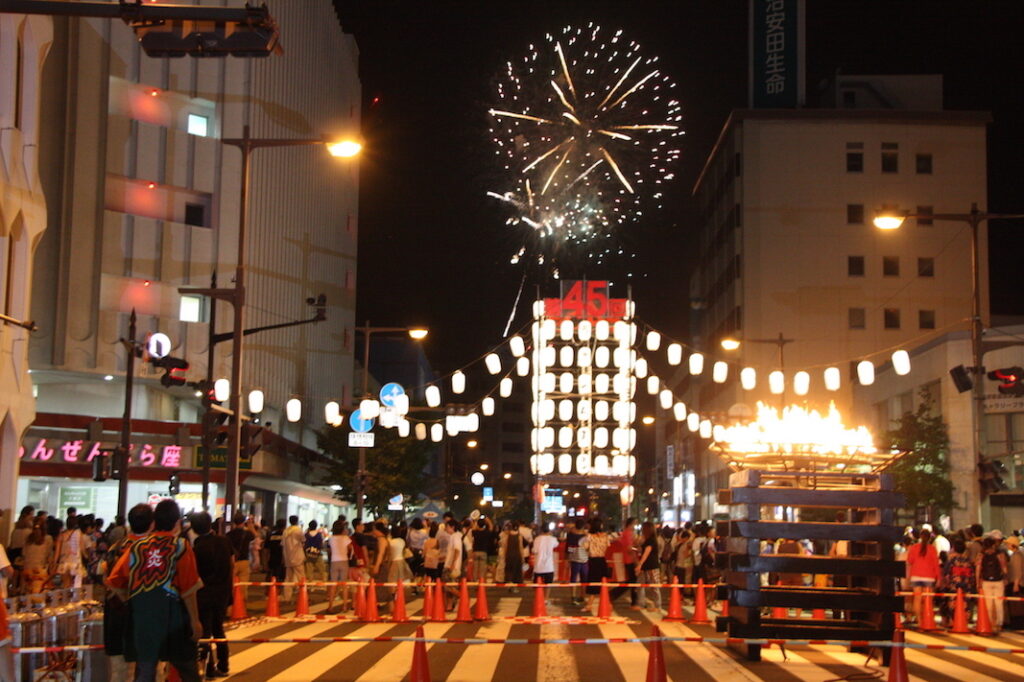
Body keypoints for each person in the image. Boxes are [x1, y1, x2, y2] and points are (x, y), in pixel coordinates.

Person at [106, 500, 202, 682]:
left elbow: (114, 582)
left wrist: (130, 600)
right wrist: (195, 621)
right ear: (177, 522)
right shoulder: (181, 546)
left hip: (143, 619)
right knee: (187, 669)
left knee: (145, 671)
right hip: (173, 619)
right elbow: (189, 589)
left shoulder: (136, 547)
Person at [102, 503, 153, 682]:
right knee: (150, 670)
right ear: (152, 524)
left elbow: (104, 577)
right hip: (145, 617)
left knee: (120, 672)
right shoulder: (152, 550)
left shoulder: (116, 547)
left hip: (115, 615)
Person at [190, 511, 233, 678]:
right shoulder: (224, 541)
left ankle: (207, 668)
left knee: (205, 633)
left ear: (194, 529)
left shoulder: (197, 548)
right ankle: (223, 665)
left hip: (204, 594)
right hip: (222, 592)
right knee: (219, 630)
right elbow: (231, 564)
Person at [906, 528, 940, 627]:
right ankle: (927, 619)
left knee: (917, 599)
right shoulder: (932, 549)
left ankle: (919, 620)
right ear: (930, 538)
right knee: (927, 599)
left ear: (920, 537)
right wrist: (938, 577)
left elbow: (910, 561)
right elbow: (936, 564)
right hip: (929, 576)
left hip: (916, 575)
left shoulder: (914, 547)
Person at [976, 535, 1008, 633]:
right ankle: (999, 624)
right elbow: (1005, 569)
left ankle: (989, 623)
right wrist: (1005, 577)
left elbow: (978, 569)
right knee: (999, 603)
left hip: (986, 581)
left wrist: (978, 582)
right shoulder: (1000, 554)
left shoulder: (981, 555)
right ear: (993, 545)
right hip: (998, 581)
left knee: (988, 604)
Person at [52, 515, 86, 588]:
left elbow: (57, 552)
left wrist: (54, 563)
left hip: (64, 562)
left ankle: (66, 598)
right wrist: (86, 556)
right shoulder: (79, 534)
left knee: (66, 585)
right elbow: (82, 549)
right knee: (76, 586)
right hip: (76, 562)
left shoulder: (61, 535)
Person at [326, 520, 352, 613]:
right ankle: (344, 606)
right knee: (344, 584)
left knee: (333, 584)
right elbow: (350, 548)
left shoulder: (331, 538)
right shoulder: (346, 538)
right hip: (344, 560)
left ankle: (330, 606)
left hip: (334, 561)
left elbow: (329, 550)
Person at [585, 519, 610, 612]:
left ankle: (589, 604)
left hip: (593, 560)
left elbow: (585, 547)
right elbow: (608, 546)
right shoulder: (605, 536)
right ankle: (608, 602)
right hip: (602, 559)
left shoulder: (590, 536)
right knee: (603, 582)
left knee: (593, 582)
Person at [21, 521, 53, 594]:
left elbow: (24, 553)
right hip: (39, 570)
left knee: (28, 592)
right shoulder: (47, 539)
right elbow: (48, 555)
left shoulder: (28, 539)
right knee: (38, 594)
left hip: (27, 569)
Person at [636, 521, 662, 612]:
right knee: (640, 585)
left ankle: (657, 606)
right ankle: (641, 603)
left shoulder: (651, 541)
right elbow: (641, 549)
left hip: (651, 566)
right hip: (647, 565)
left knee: (654, 586)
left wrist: (640, 564)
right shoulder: (648, 540)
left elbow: (646, 553)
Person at [226, 512, 255, 587]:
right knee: (243, 585)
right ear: (243, 522)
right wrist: (250, 525)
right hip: (244, 560)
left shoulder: (229, 534)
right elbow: (255, 536)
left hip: (232, 561)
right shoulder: (248, 534)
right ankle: (242, 598)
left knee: (231, 584)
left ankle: (232, 598)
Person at [282, 516, 306, 602]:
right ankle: (303, 596)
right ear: (296, 521)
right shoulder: (298, 530)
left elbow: (283, 544)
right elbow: (303, 540)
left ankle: (287, 597)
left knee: (288, 578)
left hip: (288, 557)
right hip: (297, 556)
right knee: (301, 578)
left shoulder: (285, 531)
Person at [566, 519, 590, 605]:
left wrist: (568, 557)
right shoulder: (586, 535)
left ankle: (573, 596)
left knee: (573, 578)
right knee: (584, 579)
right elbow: (588, 547)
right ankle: (582, 596)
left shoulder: (570, 534)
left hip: (574, 559)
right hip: (584, 559)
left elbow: (568, 548)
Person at [369, 521, 392, 606]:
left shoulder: (381, 540)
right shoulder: (383, 539)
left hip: (381, 565)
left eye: (374, 529)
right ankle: (390, 607)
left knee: (380, 586)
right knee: (382, 586)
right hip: (382, 565)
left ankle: (377, 605)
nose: (373, 531)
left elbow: (381, 554)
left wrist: (377, 566)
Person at [442, 519, 463, 609]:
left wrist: (453, 564)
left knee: (448, 586)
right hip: (451, 564)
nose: (445, 529)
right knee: (449, 588)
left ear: (452, 527)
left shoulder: (455, 536)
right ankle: (449, 606)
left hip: (451, 566)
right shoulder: (457, 536)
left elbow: (457, 550)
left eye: (447, 527)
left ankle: (463, 597)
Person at [1005, 535, 1023, 630]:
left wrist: (1016, 584)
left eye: (1008, 544)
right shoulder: (1017, 554)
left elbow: (1018, 571)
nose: (1007, 545)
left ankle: (1017, 624)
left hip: (1016, 583)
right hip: (1016, 582)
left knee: (1016, 606)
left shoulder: (1017, 556)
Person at [471, 517, 496, 583]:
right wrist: (488, 521)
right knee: (482, 568)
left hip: (475, 551)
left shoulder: (475, 532)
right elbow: (491, 527)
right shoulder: (486, 533)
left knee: (475, 568)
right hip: (483, 552)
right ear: (484, 525)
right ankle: (482, 581)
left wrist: (476, 521)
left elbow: (473, 528)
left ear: (478, 525)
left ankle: (474, 580)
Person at [503, 521, 525, 591]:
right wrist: (522, 557)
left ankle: (510, 585)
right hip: (517, 555)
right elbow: (521, 547)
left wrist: (504, 555)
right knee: (516, 571)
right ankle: (515, 586)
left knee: (509, 571)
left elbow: (505, 546)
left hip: (509, 555)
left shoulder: (507, 535)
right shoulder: (519, 536)